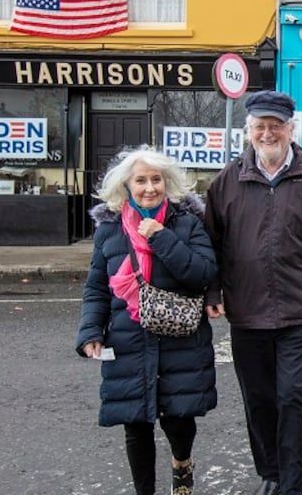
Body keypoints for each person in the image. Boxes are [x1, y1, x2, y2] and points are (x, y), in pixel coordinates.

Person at [203, 90, 302, 495]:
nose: (267, 134)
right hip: (247, 309)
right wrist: (212, 291)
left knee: (294, 395)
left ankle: (297, 485)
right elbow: (210, 244)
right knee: (258, 399)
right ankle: (272, 472)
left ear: (291, 130)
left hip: (301, 309)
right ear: (249, 131)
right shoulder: (227, 181)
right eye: (260, 126)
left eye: (275, 126)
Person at [76, 145, 218, 495]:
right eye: (141, 180)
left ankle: (182, 462)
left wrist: (160, 236)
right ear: (126, 185)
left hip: (180, 339)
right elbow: (97, 287)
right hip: (129, 339)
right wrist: (91, 330)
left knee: (179, 419)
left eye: (156, 179)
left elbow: (202, 274)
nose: (150, 188)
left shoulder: (187, 223)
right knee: (135, 424)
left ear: (167, 183)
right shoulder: (110, 230)